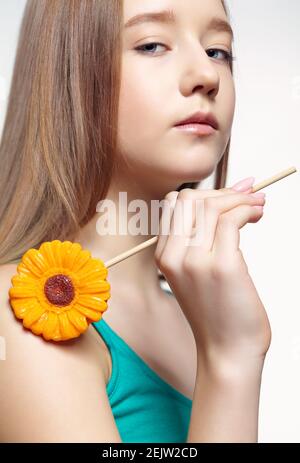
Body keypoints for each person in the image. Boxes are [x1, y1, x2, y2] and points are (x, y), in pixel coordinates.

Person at [0, 0, 271, 443]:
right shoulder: (24, 310)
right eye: (151, 45)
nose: (206, 75)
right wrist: (231, 361)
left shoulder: (202, 315)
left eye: (217, 50)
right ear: (66, 76)